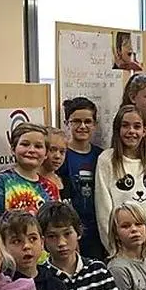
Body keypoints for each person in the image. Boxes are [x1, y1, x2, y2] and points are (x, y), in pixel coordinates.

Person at [94, 105, 146, 251]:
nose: (131, 131)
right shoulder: (107, 160)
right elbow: (104, 210)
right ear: (117, 130)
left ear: (145, 131)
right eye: (125, 126)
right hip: (121, 246)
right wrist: (114, 248)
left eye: (137, 126)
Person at [57, 97, 105, 258]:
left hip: (97, 230)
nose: (82, 126)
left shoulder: (101, 156)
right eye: (76, 121)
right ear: (66, 123)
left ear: (94, 125)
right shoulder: (60, 156)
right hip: (68, 229)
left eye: (87, 121)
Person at [0, 122, 52, 220]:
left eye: (38, 146)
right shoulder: (1, 183)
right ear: (13, 149)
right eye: (25, 144)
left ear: (46, 153)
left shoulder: (50, 188)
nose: (31, 150)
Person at [106, 202, 146, 290]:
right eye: (126, 226)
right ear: (115, 234)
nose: (134, 229)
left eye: (139, 224)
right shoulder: (117, 269)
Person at [39, 126, 68, 201]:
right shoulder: (34, 182)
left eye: (62, 152)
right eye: (52, 150)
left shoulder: (65, 179)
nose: (58, 156)